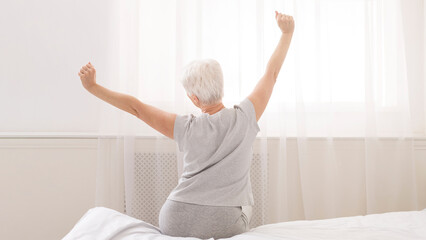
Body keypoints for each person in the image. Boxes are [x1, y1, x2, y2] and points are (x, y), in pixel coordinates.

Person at [78, 10, 294, 239]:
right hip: (224, 222)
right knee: (246, 205)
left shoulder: (185, 127)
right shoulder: (245, 117)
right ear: (222, 86)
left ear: (194, 99)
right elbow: (271, 74)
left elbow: (136, 108)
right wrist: (286, 34)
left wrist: (93, 87)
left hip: (175, 218)